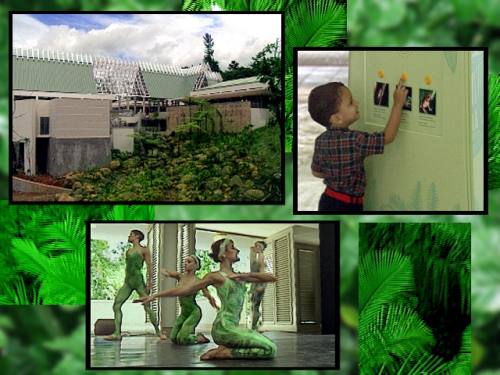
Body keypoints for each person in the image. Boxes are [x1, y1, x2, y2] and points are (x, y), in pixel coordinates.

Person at [135, 238, 277, 360]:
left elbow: (271, 278)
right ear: (223, 254)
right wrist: (155, 295)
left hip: (233, 327)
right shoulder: (215, 276)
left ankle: (226, 347)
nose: (237, 250)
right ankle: (225, 353)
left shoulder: (238, 276)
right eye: (232, 248)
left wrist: (244, 275)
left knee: (267, 347)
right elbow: (185, 290)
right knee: (270, 349)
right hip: (223, 327)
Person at [309, 79, 408, 212]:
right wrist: (397, 104)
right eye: (350, 103)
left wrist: (337, 174)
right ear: (337, 118)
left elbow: (316, 172)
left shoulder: (320, 140)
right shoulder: (356, 140)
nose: (356, 103)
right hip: (349, 206)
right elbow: (388, 137)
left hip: (327, 201)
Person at [104, 230, 166, 341]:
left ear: (137, 236)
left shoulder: (144, 250)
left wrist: (150, 283)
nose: (129, 236)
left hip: (138, 281)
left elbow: (149, 266)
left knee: (147, 306)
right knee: (116, 305)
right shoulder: (128, 251)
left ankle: (158, 332)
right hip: (127, 281)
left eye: (131, 234)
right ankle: (117, 333)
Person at [161, 255, 218, 345]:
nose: (185, 263)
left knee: (182, 339)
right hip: (184, 313)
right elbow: (169, 272)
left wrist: (216, 306)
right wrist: (164, 272)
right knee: (173, 338)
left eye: (189, 262)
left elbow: (207, 294)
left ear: (195, 265)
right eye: (185, 261)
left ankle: (199, 338)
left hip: (194, 312)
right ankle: (191, 336)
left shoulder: (198, 281)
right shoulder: (181, 276)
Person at [249, 241, 267, 330]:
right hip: (255, 284)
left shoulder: (261, 256)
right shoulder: (256, 256)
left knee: (255, 306)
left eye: (258, 246)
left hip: (259, 284)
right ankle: (254, 326)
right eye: (255, 245)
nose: (255, 247)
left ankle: (254, 327)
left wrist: (261, 286)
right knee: (253, 306)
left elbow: (262, 272)